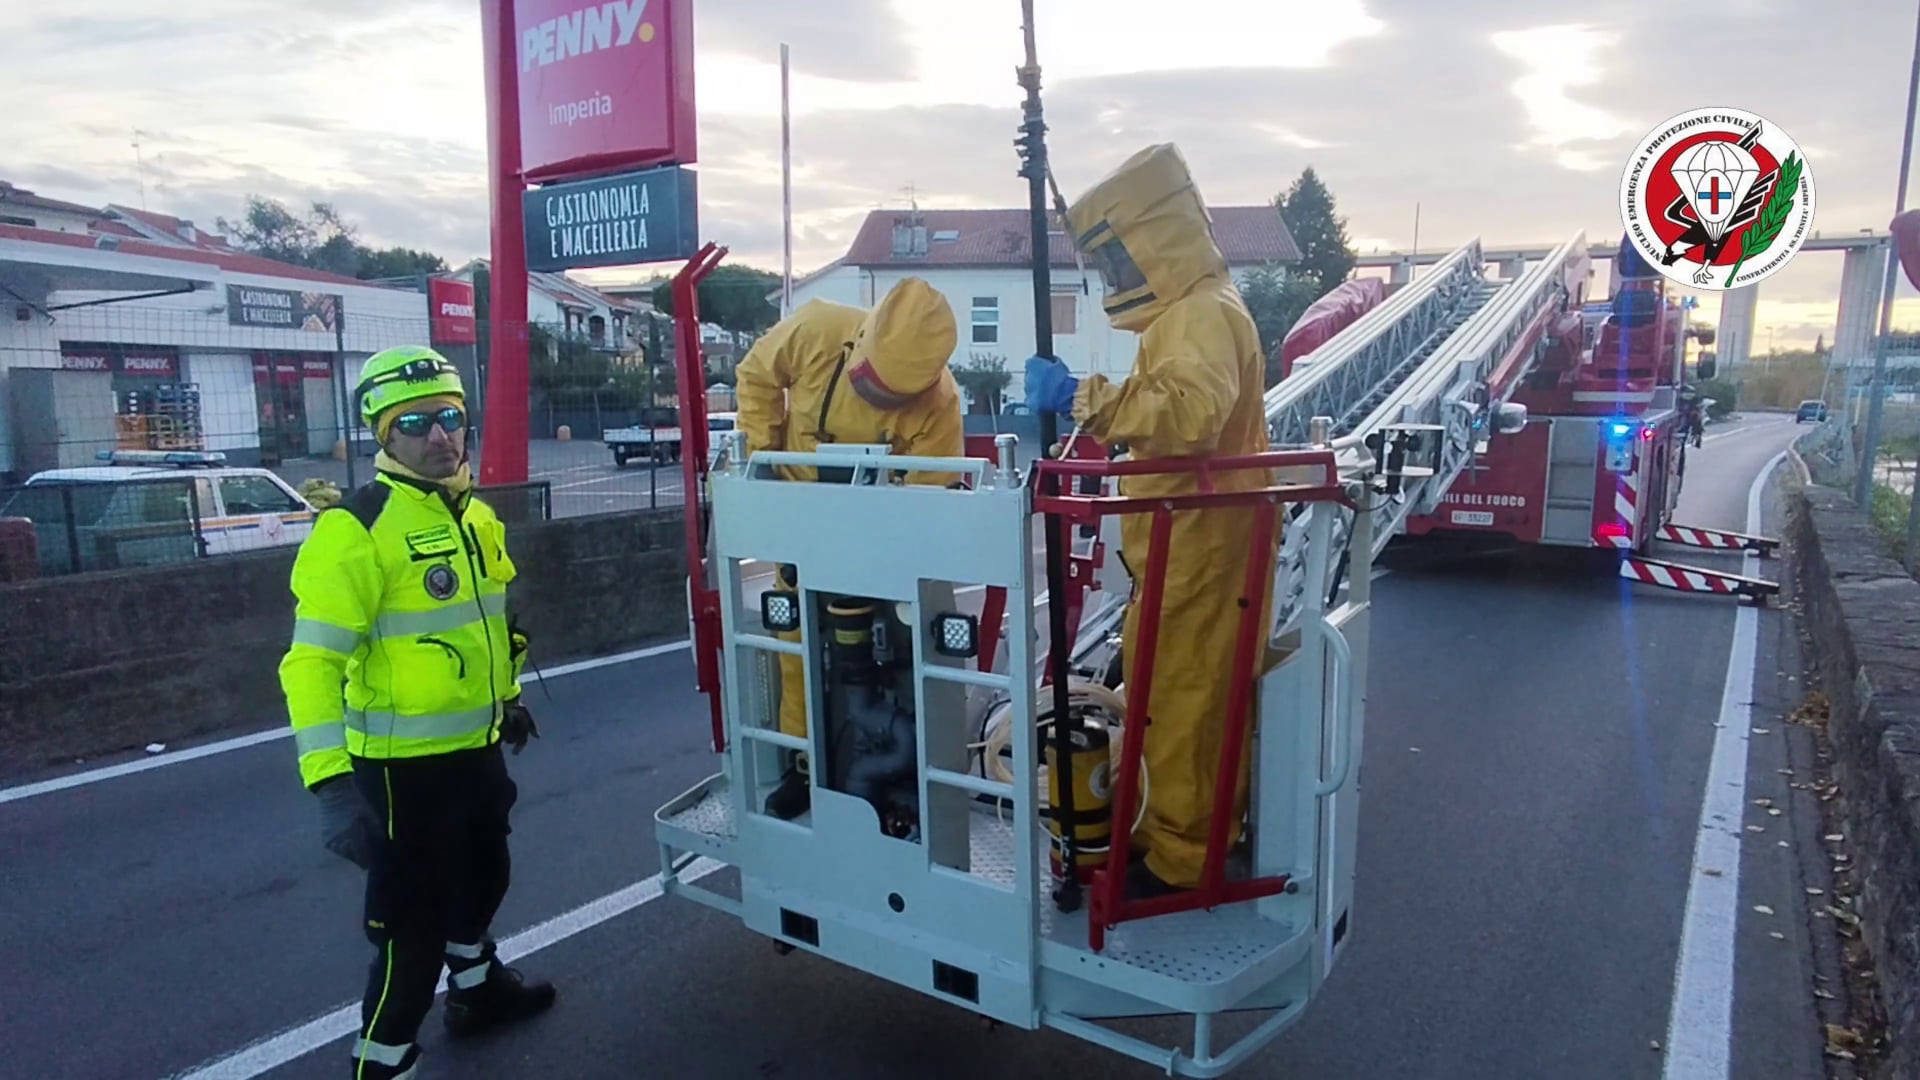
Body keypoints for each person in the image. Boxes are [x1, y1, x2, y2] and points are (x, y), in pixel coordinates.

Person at [279, 345, 553, 1080]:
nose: (439, 437)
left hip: (477, 747)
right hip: (402, 772)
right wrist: (330, 783)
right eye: (414, 423)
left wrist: (510, 699)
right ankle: (382, 1061)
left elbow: (486, 625)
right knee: (411, 928)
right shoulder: (356, 529)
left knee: (485, 876)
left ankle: (478, 992)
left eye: (450, 418)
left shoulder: (476, 517)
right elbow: (309, 665)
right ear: (382, 435)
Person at [1025, 143, 1278, 898]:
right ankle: (1163, 832)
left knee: (1191, 702)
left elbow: (1194, 416)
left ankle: (1184, 861)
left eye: (1119, 259)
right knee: (1164, 696)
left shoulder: (1202, 313)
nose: (1116, 277)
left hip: (1202, 546)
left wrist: (1084, 397)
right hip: (1183, 547)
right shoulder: (1190, 313)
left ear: (1154, 240)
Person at [734, 277, 965, 819]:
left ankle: (910, 772)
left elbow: (935, 497)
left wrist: (888, 553)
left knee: (907, 657)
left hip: (877, 542)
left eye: (891, 396)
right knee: (794, 649)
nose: (876, 400)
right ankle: (805, 771)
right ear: (862, 342)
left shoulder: (940, 404)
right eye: (870, 385)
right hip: (797, 518)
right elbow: (755, 376)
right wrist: (761, 463)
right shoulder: (817, 330)